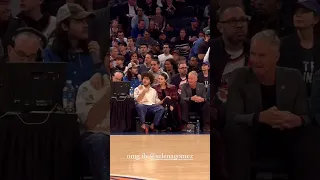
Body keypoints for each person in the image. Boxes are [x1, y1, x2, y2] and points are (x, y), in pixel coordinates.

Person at [225, 29, 320, 180]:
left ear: (276, 57)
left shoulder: (293, 77)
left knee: (311, 136)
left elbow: (306, 116)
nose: (255, 60)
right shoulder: (240, 76)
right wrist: (260, 117)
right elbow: (232, 118)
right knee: (236, 134)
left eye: (262, 55)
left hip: (286, 138)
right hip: (252, 139)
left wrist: (297, 120)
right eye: (253, 54)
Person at [76, 54, 110, 180]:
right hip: (93, 135)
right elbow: (89, 123)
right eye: (108, 56)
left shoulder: (123, 87)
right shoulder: (88, 86)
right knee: (99, 140)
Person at [279, 0, 320, 96]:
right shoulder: (283, 45)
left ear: (316, 19)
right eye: (296, 12)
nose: (298, 15)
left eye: (304, 12)